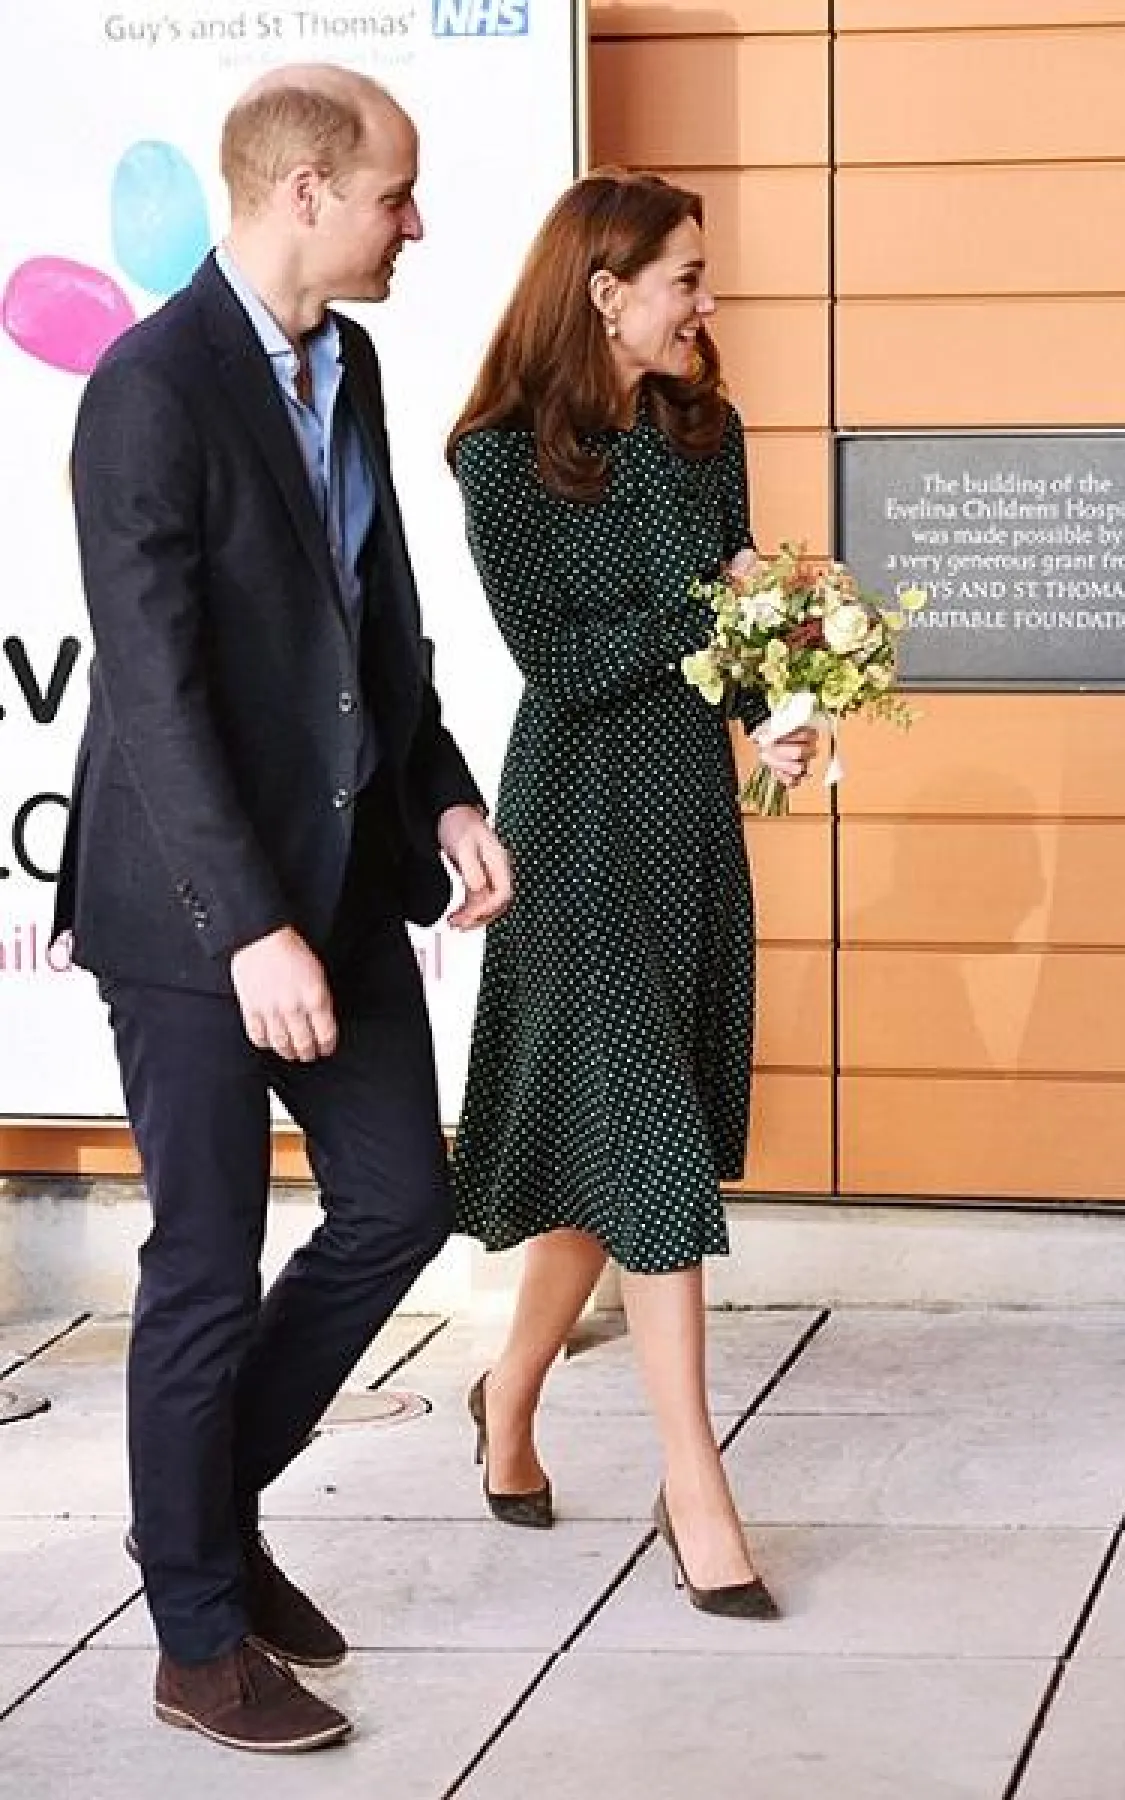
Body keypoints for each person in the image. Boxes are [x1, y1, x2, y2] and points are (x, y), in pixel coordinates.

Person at [53, 64, 510, 1753]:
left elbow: (378, 624)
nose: (416, 224)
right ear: (306, 191)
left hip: (339, 872)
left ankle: (198, 1519)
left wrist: (443, 791)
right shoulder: (150, 388)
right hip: (195, 911)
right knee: (204, 1262)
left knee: (400, 1201)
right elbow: (155, 687)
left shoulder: (350, 364)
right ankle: (196, 1638)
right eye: (396, 194)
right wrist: (249, 928)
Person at [446, 171, 814, 1617]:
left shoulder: (708, 427)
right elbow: (562, 660)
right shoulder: (496, 456)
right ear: (607, 292)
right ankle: (696, 1488)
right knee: (651, 1148)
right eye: (685, 279)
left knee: (614, 1157)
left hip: (690, 825)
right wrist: (714, 608)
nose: (706, 304)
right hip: (576, 831)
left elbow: (741, 629)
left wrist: (777, 707)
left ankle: (508, 1395)